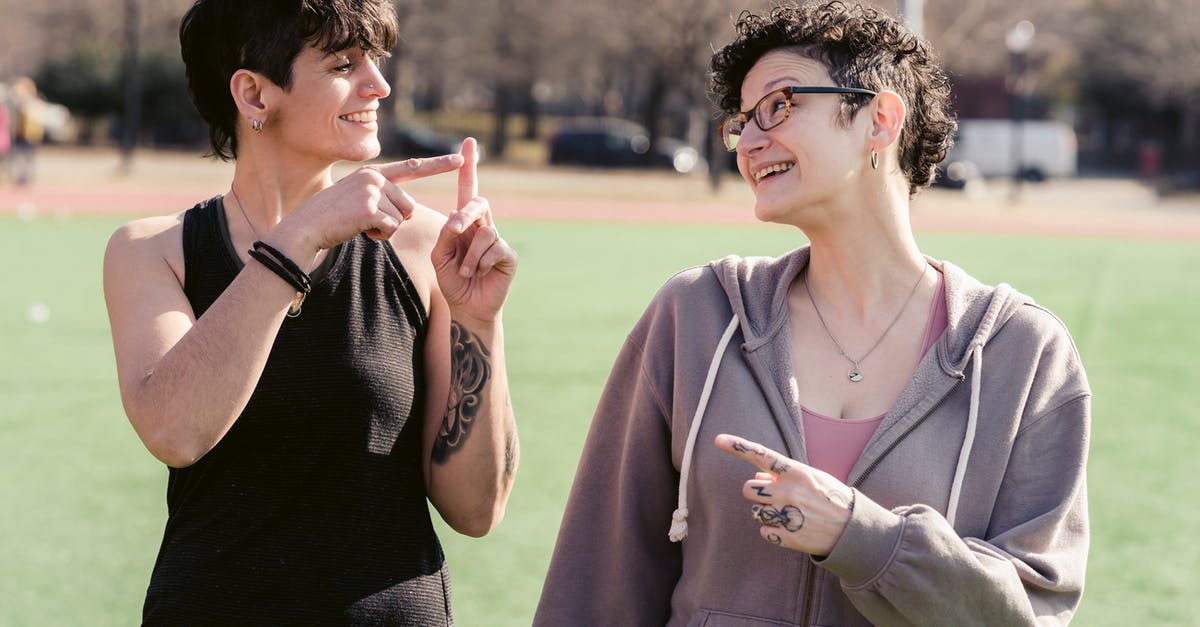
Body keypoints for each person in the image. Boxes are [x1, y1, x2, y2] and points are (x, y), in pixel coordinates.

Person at [535, 2, 1089, 625]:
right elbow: (595, 583)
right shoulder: (695, 317)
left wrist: (861, 537)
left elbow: (1030, 611)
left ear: (880, 120)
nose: (749, 141)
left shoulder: (1024, 352)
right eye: (742, 121)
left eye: (779, 105)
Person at [102, 1, 519, 623]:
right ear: (254, 93)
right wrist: (297, 239)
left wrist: (478, 320)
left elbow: (477, 511)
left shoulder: (425, 248)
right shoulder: (153, 252)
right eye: (344, 64)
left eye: (375, 60)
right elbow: (176, 433)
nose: (379, 85)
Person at [8, 76, 43, 185]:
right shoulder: (16, 102)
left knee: (28, 156)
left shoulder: (34, 102)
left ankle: (27, 177)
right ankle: (20, 176)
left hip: (31, 135)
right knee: (19, 156)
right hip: (20, 133)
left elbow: (34, 116)